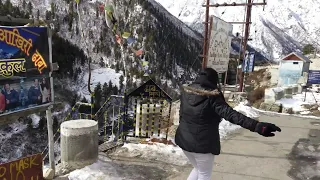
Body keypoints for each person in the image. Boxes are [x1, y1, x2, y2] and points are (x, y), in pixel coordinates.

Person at [175, 68, 281, 180]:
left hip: (184, 141)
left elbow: (181, 114)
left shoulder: (186, 93)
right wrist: (256, 126)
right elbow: (231, 114)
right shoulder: (212, 96)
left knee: (198, 169)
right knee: (204, 174)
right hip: (202, 144)